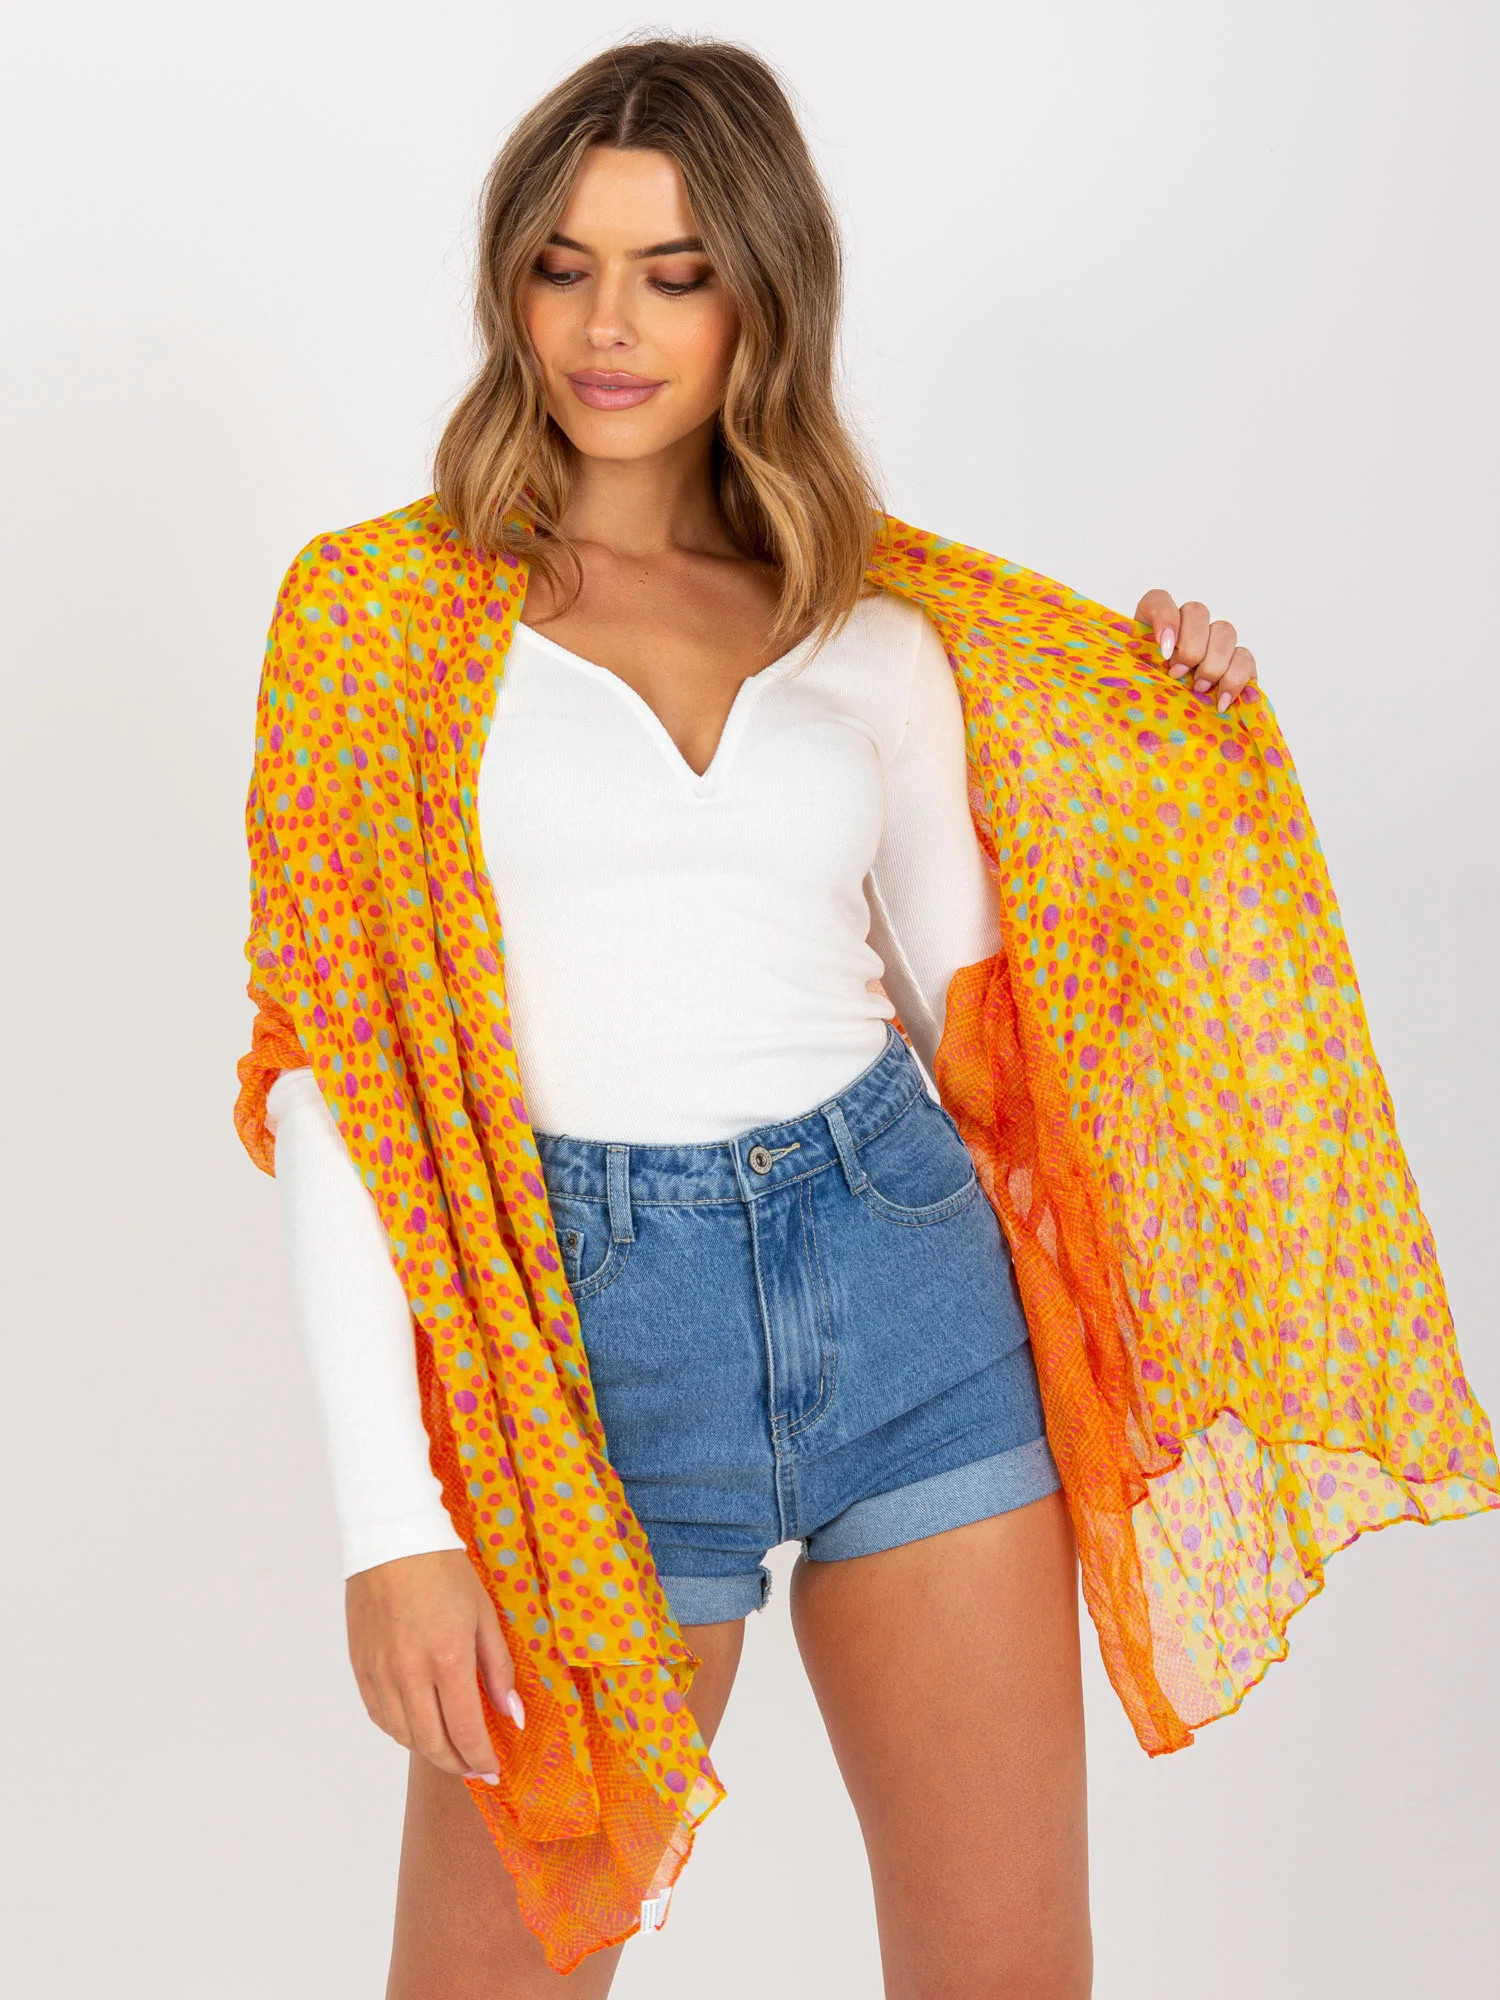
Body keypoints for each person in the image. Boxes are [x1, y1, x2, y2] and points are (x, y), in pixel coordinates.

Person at [234, 34, 1499, 2000]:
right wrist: (392, 1528)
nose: (610, 326)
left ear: (763, 292)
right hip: (581, 1346)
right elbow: (335, 1086)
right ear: (509, 284)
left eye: (675, 273)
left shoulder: (875, 624)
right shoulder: (375, 618)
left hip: (904, 1286)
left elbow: (988, 1017)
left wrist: (1177, 743)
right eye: (565, 266)